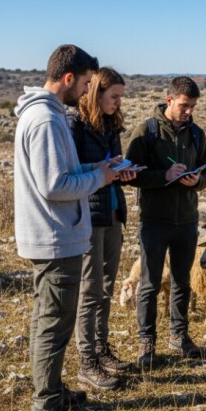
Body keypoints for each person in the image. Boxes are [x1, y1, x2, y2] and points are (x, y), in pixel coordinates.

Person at [14, 44, 120, 411]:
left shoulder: (49, 115)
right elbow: (55, 184)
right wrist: (101, 179)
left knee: (52, 319)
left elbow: (63, 170)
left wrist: (96, 167)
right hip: (55, 237)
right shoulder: (45, 120)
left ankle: (53, 391)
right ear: (69, 78)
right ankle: (46, 409)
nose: (88, 92)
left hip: (57, 234)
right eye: (88, 83)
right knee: (53, 324)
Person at [124, 76, 206, 368]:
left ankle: (179, 335)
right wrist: (163, 176)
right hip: (155, 220)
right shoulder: (146, 131)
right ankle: (146, 341)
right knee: (149, 283)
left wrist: (197, 181)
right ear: (169, 99)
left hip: (187, 220)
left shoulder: (197, 135)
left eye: (193, 107)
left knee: (182, 281)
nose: (189, 112)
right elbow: (130, 173)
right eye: (185, 106)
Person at [67, 67, 135, 390]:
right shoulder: (75, 124)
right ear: (97, 92)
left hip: (113, 211)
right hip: (89, 216)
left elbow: (113, 163)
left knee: (107, 285)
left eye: (121, 96)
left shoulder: (112, 123)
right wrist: (102, 171)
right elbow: (73, 172)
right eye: (114, 96)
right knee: (89, 288)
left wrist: (123, 172)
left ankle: (101, 347)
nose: (119, 102)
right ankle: (86, 361)